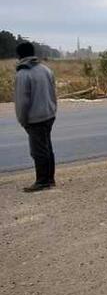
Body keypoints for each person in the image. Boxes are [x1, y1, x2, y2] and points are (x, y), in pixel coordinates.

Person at [14, 42, 57, 192]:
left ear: (19, 56)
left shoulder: (23, 73)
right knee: (47, 148)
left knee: (38, 151)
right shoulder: (45, 69)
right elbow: (53, 93)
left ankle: (42, 181)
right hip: (49, 115)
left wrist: (22, 119)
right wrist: (53, 110)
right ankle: (49, 179)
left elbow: (22, 101)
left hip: (35, 118)